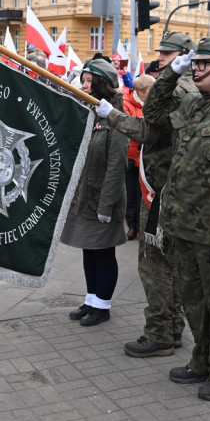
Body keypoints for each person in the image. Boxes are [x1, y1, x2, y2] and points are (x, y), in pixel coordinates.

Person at [104, 38, 210, 400]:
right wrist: (170, 74)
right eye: (193, 63)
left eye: (203, 64)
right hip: (184, 224)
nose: (196, 69)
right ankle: (202, 360)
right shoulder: (196, 105)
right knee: (195, 302)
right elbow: (153, 118)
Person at [102, 31, 197, 358]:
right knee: (169, 265)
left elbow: (148, 130)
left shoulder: (174, 90)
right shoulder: (188, 88)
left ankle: (159, 333)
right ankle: (172, 329)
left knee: (154, 265)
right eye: (161, 53)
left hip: (160, 190)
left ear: (186, 56)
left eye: (169, 54)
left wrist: (112, 116)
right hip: (170, 185)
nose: (161, 59)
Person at [66, 59, 129, 327]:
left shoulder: (116, 115)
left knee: (103, 252)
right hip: (84, 195)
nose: (84, 84)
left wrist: (106, 205)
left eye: (90, 81)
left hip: (103, 197)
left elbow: (117, 165)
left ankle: (102, 305)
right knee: (88, 250)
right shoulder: (88, 110)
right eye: (84, 79)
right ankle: (91, 299)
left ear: (103, 84)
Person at [122, 74, 154, 240]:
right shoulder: (126, 101)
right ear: (142, 91)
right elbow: (129, 126)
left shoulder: (152, 102)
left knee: (144, 193)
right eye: (151, 89)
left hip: (146, 156)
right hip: (131, 155)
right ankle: (132, 226)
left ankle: (142, 226)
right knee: (131, 192)